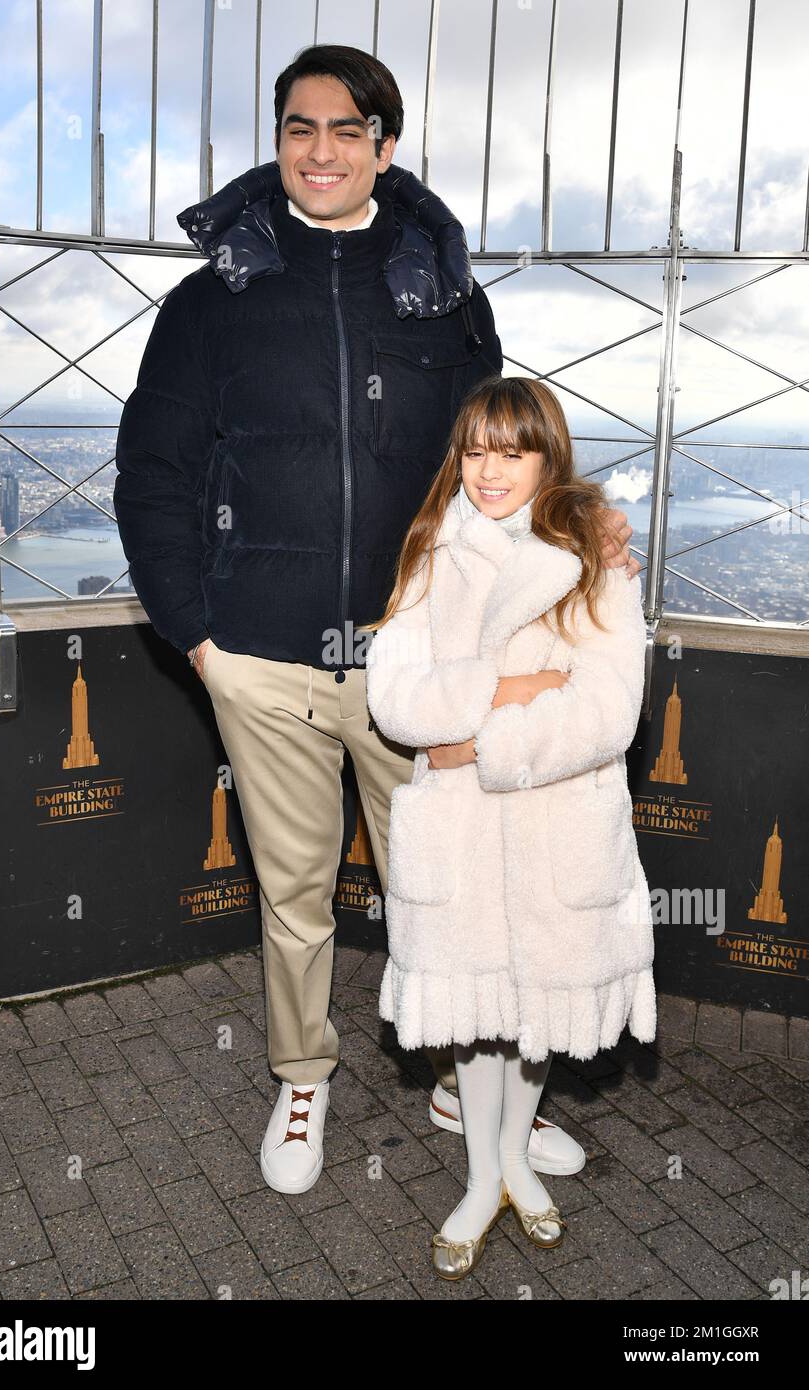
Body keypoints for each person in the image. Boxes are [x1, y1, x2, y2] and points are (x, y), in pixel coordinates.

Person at [113, 43, 641, 1197]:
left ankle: (469, 1082)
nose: (321, 149)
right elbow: (150, 472)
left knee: (448, 896)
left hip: (424, 670)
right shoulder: (213, 302)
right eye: (300, 128)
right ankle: (302, 1074)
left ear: (383, 146)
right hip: (263, 659)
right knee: (295, 898)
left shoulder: (445, 298)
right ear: (278, 140)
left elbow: (499, 462)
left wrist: (584, 523)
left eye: (347, 130)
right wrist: (201, 640)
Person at [363, 374, 656, 1278]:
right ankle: (483, 1172)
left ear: (546, 456)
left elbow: (610, 709)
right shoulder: (429, 546)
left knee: (534, 1010)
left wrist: (479, 746)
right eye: (475, 451)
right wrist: (512, 690)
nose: (489, 472)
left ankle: (516, 1162)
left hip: (553, 817)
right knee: (474, 1006)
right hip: (457, 828)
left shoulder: (594, 552)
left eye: (512, 451)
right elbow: (394, 693)